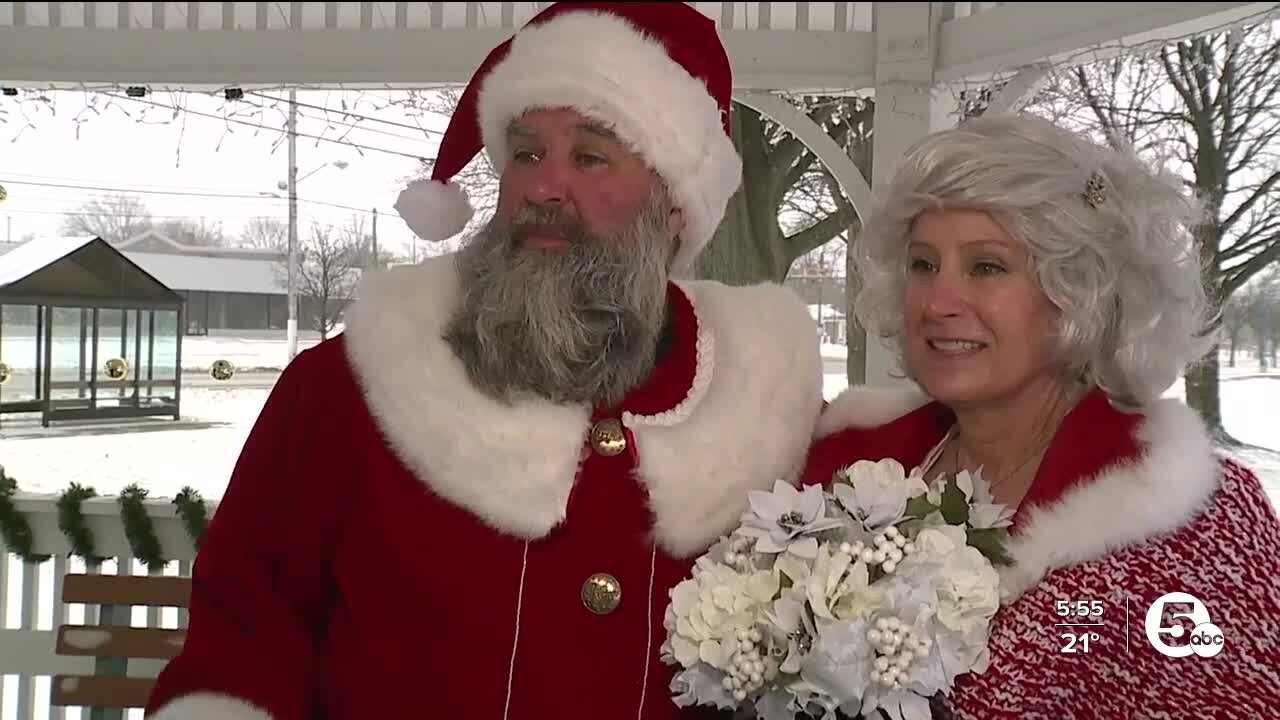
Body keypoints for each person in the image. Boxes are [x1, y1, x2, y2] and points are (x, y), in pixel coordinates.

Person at [144, 3, 826, 719]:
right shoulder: (348, 389)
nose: (541, 187)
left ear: (676, 207)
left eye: (590, 156)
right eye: (526, 152)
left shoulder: (767, 407)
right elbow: (245, 640)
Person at [803, 113, 1280, 719]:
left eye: (986, 267)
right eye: (923, 265)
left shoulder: (1201, 525)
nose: (938, 302)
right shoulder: (840, 472)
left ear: (1075, 294)